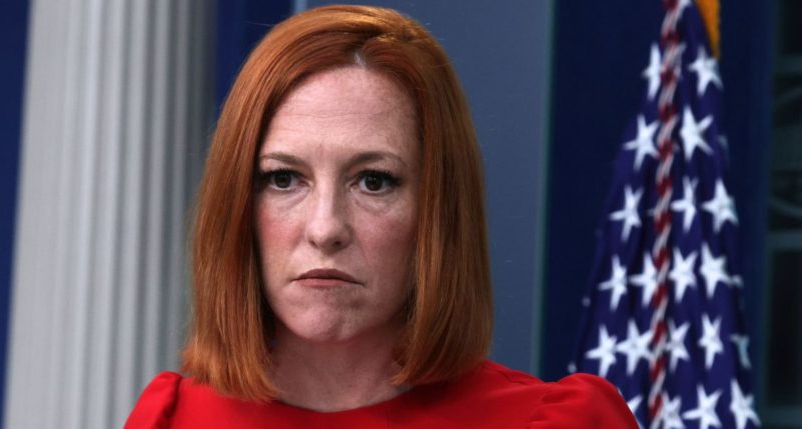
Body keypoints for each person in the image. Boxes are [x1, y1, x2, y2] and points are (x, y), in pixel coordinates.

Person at [125, 5, 637, 428]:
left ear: (437, 212)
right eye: (284, 179)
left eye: (373, 180)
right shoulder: (170, 419)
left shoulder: (554, 423)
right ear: (237, 205)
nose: (325, 228)